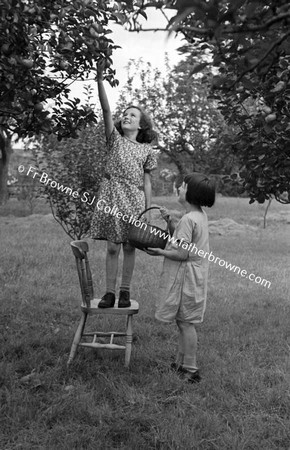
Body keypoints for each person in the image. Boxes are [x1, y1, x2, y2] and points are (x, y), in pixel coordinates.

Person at [90, 63, 157, 309]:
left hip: (134, 199)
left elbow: (147, 181)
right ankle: (109, 293)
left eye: (133, 115)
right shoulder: (114, 140)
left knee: (130, 246)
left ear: (140, 125)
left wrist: (148, 211)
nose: (126, 116)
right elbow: (106, 110)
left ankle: (125, 292)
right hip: (111, 195)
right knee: (112, 246)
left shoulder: (146, 150)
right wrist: (99, 79)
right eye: (125, 114)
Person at [146, 173, 215, 383]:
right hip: (196, 274)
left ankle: (191, 369)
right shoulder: (198, 216)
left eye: (182, 187)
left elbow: (182, 253)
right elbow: (182, 242)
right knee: (183, 321)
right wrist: (169, 222)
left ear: (190, 194)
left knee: (186, 323)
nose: (179, 189)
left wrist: (160, 253)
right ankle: (181, 363)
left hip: (187, 277)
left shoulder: (188, 219)